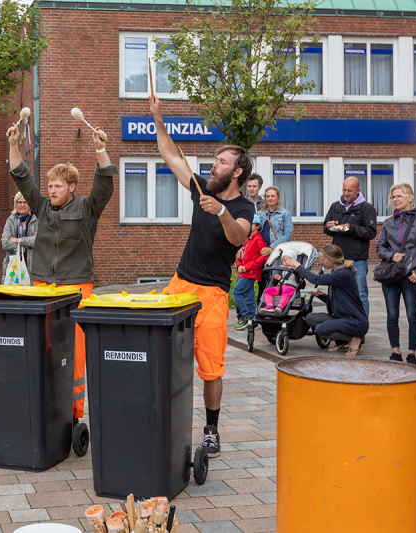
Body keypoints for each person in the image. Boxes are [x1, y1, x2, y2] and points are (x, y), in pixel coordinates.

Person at [149, 94, 254, 458]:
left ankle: (211, 429)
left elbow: (238, 236)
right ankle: (157, 412)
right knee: (154, 346)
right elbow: (169, 154)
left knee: (211, 367)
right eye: (215, 159)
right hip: (180, 284)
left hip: (212, 294)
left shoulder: (243, 206)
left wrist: (222, 211)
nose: (214, 164)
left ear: (237, 171)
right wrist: (158, 118)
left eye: (222, 161)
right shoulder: (201, 189)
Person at [7, 123, 115, 423]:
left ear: (71, 188)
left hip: (77, 287)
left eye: (57, 185)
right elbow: (21, 176)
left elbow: (105, 184)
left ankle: (74, 414)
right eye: (50, 185)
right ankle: (46, 405)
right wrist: (14, 143)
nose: (51, 190)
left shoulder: (86, 208)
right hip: (42, 285)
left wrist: (100, 149)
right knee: (45, 347)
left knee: (76, 351)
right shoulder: (41, 206)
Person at [283, 245, 368, 357]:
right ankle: (343, 342)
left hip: (355, 321)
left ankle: (354, 339)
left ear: (332, 260)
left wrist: (298, 266)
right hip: (343, 317)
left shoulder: (343, 274)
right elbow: (335, 301)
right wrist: (320, 295)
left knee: (321, 329)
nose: (321, 262)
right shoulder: (337, 272)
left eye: (323, 259)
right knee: (310, 318)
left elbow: (315, 279)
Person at [375, 183, 416, 365]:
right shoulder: (388, 223)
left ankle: (411, 353)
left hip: (412, 276)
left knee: (412, 315)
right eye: (393, 197)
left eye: (399, 196)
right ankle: (395, 352)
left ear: (410, 197)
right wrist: (390, 255)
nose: (395, 199)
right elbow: (380, 247)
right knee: (392, 315)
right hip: (391, 275)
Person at [322, 177, 377, 317]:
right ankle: (341, 324)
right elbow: (326, 228)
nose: (346, 193)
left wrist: (351, 228)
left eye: (350, 191)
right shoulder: (335, 206)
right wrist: (329, 226)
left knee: (360, 294)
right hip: (337, 260)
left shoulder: (367, 208)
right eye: (344, 190)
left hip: (356, 259)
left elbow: (370, 232)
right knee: (337, 293)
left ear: (358, 191)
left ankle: (360, 329)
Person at [233, 214, 267, 330]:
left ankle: (247, 317)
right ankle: (253, 320)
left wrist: (246, 267)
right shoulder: (246, 240)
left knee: (236, 292)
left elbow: (263, 258)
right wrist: (238, 266)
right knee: (249, 296)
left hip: (251, 273)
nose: (248, 226)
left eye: (251, 224)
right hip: (244, 272)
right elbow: (240, 255)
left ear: (257, 226)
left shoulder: (258, 240)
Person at [1, 192, 38, 283]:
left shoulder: (37, 220)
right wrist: (26, 244)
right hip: (12, 266)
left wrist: (18, 240)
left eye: (25, 202)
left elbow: (37, 241)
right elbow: (5, 243)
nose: (22, 205)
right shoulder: (10, 220)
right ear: (15, 204)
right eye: (19, 202)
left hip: (32, 267)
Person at [262, 249, 300, 314]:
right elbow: (275, 282)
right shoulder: (281, 269)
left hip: (290, 287)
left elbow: (299, 279)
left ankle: (280, 307)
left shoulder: (296, 269)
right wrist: (275, 278)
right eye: (284, 261)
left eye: (289, 260)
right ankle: (269, 306)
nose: (286, 262)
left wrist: (297, 270)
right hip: (280, 287)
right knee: (267, 291)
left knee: (286, 293)